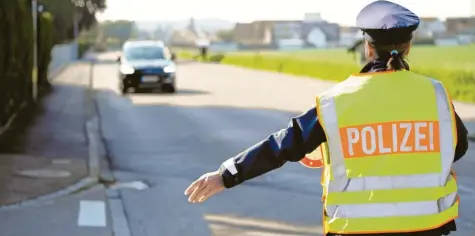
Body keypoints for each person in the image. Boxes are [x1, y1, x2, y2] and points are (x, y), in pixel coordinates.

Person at [184, 1, 469, 235]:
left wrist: (227, 175)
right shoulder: (436, 94)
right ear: (409, 47)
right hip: (427, 227)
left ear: (367, 48)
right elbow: (456, 147)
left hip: (355, 229)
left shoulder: (337, 101)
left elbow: (283, 146)